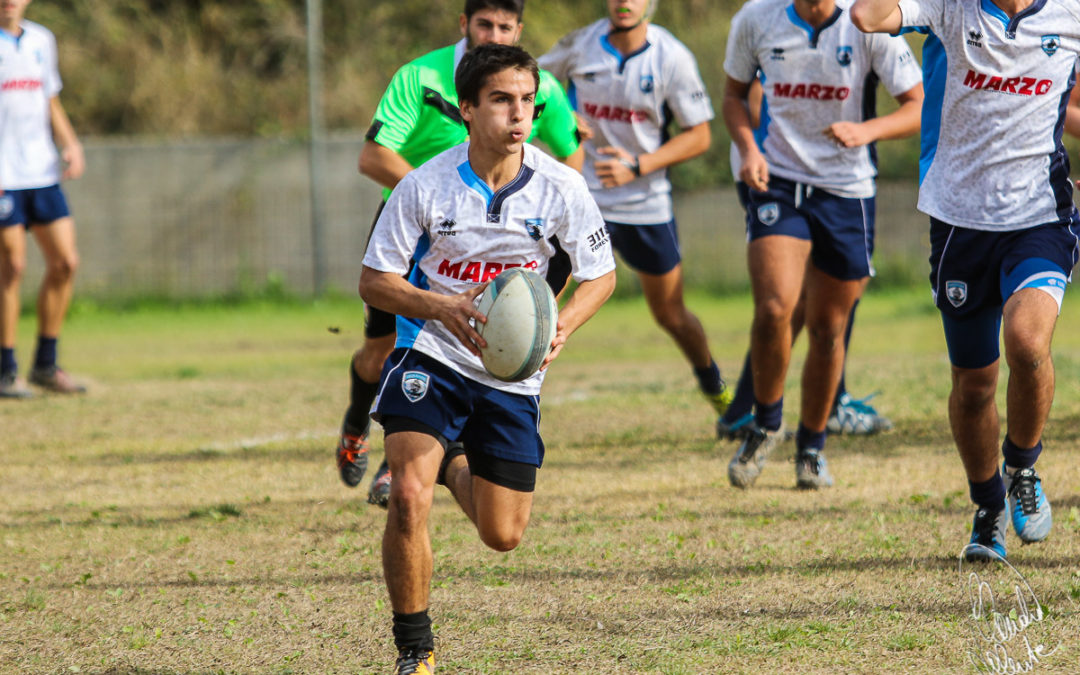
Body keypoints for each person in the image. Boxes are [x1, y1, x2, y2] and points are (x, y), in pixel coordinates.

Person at [358, 43, 616, 674]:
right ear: (468, 110)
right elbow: (374, 281)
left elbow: (600, 274)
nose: (518, 114)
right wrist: (439, 306)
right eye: (501, 100)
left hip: (512, 373)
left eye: (527, 100)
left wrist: (563, 327)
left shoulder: (561, 187)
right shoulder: (425, 185)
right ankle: (414, 649)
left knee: (502, 535)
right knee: (408, 497)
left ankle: (452, 464)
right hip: (433, 353)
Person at [852, 0, 1080, 560]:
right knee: (974, 384)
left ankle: (1023, 467)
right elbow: (867, 17)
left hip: (1039, 217)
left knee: (1027, 343)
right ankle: (988, 509)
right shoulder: (950, 6)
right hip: (960, 222)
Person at [337, 0, 584, 508]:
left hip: (503, 241)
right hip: (415, 233)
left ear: (520, 30)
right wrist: (443, 197)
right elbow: (374, 155)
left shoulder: (538, 87)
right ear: (464, 25)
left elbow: (571, 150)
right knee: (382, 352)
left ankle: (422, 451)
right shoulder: (420, 76)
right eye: (484, 24)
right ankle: (361, 422)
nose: (495, 34)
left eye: (506, 26)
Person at [722, 0, 922, 489]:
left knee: (829, 328)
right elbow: (731, 97)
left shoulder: (868, 21)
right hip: (779, 183)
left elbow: (917, 104)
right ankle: (766, 424)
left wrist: (866, 131)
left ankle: (811, 446)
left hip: (846, 192)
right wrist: (748, 149)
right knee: (773, 309)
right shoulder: (755, 19)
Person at [538, 0, 735, 424]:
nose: (623, 2)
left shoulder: (672, 57)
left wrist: (638, 166)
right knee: (540, 305)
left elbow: (699, 135)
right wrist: (561, 112)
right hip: (581, 199)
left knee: (671, 314)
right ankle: (512, 401)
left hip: (645, 205)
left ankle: (718, 393)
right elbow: (530, 83)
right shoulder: (579, 45)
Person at [717, 79, 894, 440]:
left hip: (817, 171)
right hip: (785, 171)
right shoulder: (781, 28)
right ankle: (814, 408)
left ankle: (751, 409)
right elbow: (752, 96)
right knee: (795, 299)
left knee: (823, 295)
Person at [0, 0, 85, 399]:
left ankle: (45, 366)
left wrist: (70, 144)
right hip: (3, 177)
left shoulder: (40, 40)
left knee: (65, 262)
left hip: (41, 171)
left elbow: (50, 98)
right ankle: (5, 370)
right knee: (12, 267)